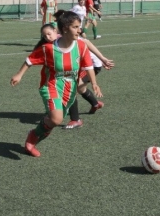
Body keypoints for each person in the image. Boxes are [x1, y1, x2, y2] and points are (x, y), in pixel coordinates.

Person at [10, 11, 102, 158]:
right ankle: (32, 137)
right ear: (65, 28)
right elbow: (30, 60)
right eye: (76, 27)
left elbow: (89, 65)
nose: (80, 30)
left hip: (70, 88)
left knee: (54, 120)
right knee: (56, 119)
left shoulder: (81, 46)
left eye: (80, 26)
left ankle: (32, 142)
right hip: (50, 85)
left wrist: (95, 83)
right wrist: (19, 75)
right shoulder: (49, 49)